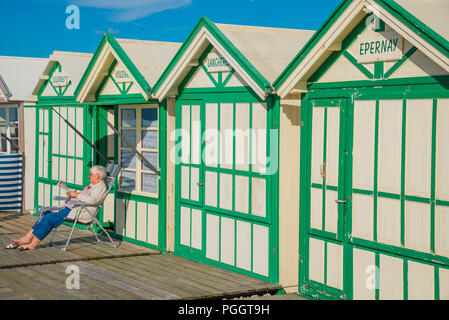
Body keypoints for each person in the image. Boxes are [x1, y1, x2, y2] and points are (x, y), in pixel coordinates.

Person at [8, 165, 108, 250]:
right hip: (71, 208)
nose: (89, 175)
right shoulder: (92, 185)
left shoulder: (101, 187)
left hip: (78, 212)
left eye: (90, 174)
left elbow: (93, 200)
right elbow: (84, 197)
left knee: (49, 217)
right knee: (46, 214)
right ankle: (28, 239)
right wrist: (72, 194)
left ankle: (31, 242)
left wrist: (77, 195)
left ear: (97, 176)